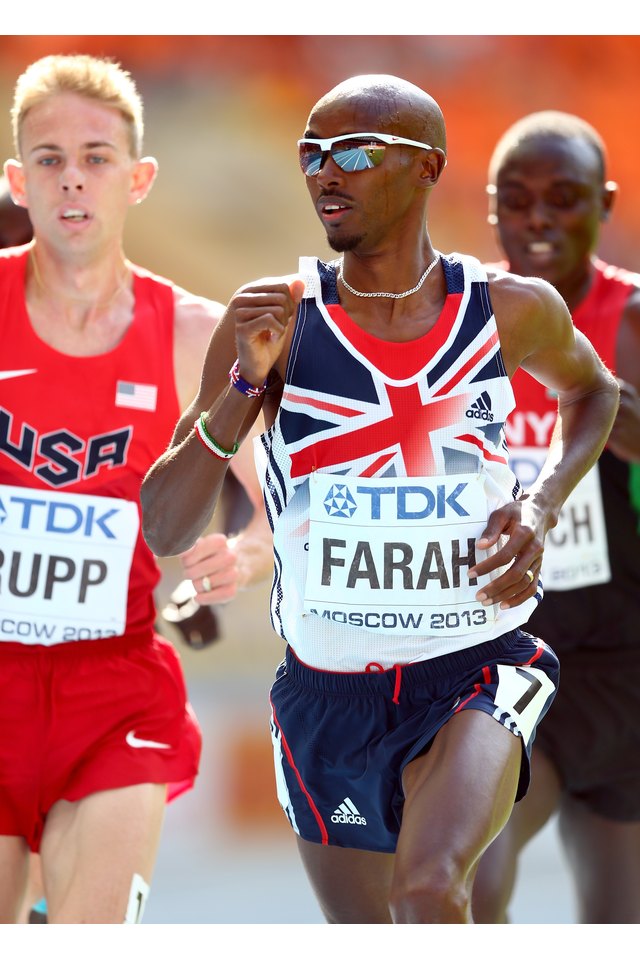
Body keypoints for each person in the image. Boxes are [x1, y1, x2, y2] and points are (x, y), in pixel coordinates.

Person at [140, 75, 619, 924]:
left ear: (429, 167)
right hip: (328, 696)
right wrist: (242, 389)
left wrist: (541, 505)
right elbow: (166, 522)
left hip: (474, 665)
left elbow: (595, 394)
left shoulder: (509, 311)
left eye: (355, 154)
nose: (327, 174)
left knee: (431, 891)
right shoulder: (272, 319)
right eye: (312, 155)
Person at [0, 53, 270, 925]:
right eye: (49, 159)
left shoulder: (194, 334)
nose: (72, 181)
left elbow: (286, 502)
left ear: (139, 177)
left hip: (115, 689)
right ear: (18, 179)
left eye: (96, 158)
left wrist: (246, 553)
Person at [471, 111, 640, 924]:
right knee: (466, 881)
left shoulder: (631, 318)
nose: (538, 218)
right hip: (502, 653)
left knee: (616, 921)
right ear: (492, 208)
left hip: (622, 664)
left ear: (604, 205)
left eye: (565, 198)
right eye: (518, 199)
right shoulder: (459, 316)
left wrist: (600, 404)